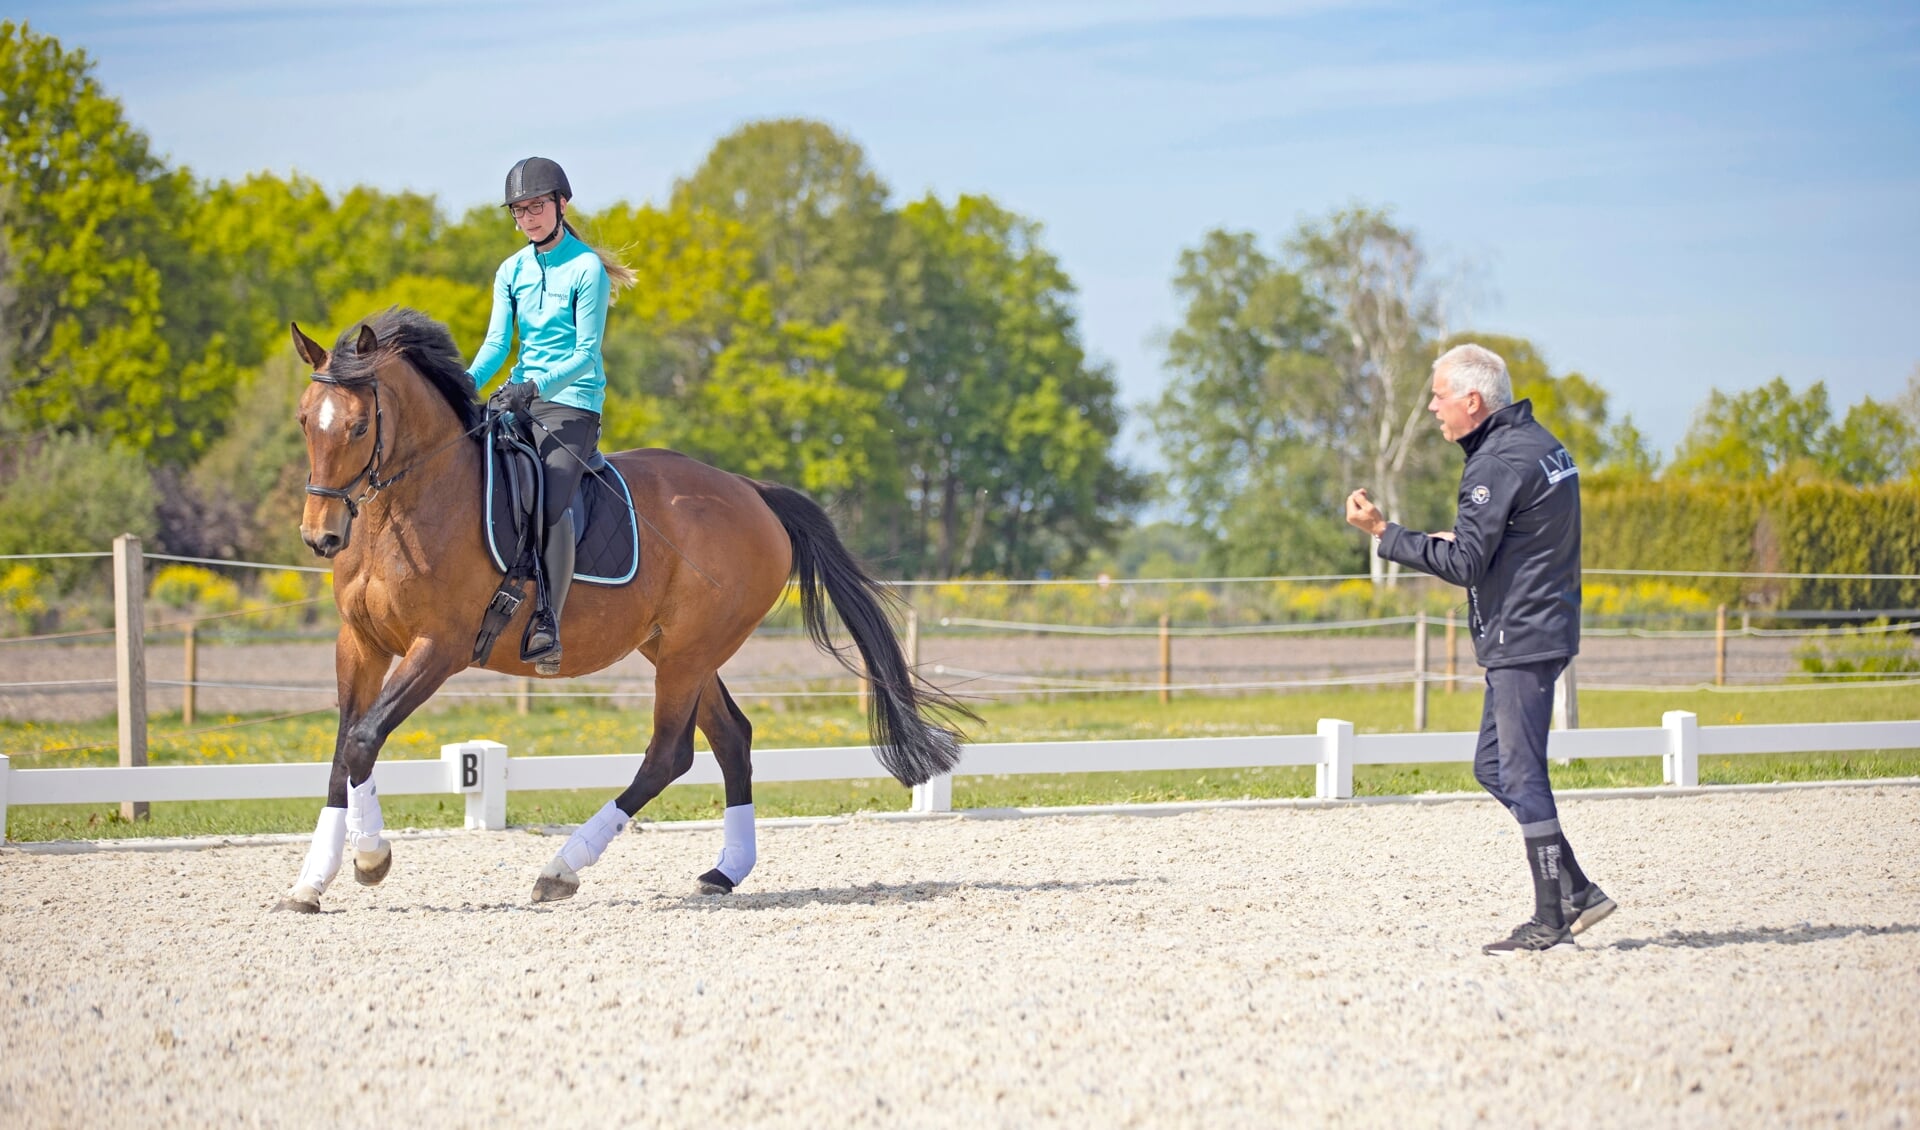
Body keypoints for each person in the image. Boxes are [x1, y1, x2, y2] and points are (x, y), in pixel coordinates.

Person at [1344, 343, 1616, 954]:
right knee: (1494, 767)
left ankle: (1552, 918)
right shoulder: (1540, 444)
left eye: (1439, 395)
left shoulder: (1496, 462)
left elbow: (1467, 563)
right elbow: (1508, 539)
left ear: (1473, 400)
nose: (1434, 407)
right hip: (1540, 624)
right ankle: (1579, 890)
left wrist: (1385, 535)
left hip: (1520, 634)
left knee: (1521, 771)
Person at [468, 157, 636, 673]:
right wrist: (462, 388)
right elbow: (497, 344)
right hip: (519, 395)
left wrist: (534, 386)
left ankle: (548, 621)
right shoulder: (511, 271)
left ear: (561, 205)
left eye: (536, 207)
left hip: (572, 404)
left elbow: (586, 354)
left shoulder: (586, 269)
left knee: (549, 500)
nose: (528, 218)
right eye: (519, 211)